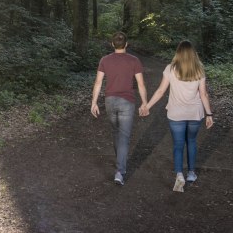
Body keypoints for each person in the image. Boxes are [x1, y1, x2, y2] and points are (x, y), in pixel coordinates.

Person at [140, 40, 214, 192]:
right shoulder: (199, 69)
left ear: (178, 53)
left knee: (178, 145)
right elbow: (203, 94)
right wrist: (209, 114)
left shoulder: (170, 69)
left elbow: (161, 91)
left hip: (176, 114)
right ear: (193, 53)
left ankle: (179, 174)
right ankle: (191, 173)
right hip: (195, 113)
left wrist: (147, 105)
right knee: (192, 141)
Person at [91, 31, 148, 185]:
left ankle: (119, 164)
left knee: (116, 133)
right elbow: (141, 84)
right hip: (127, 102)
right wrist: (145, 103)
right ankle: (120, 171)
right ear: (126, 45)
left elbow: (98, 82)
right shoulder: (134, 60)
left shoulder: (105, 60)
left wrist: (94, 102)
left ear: (112, 44)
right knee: (123, 137)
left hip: (110, 101)